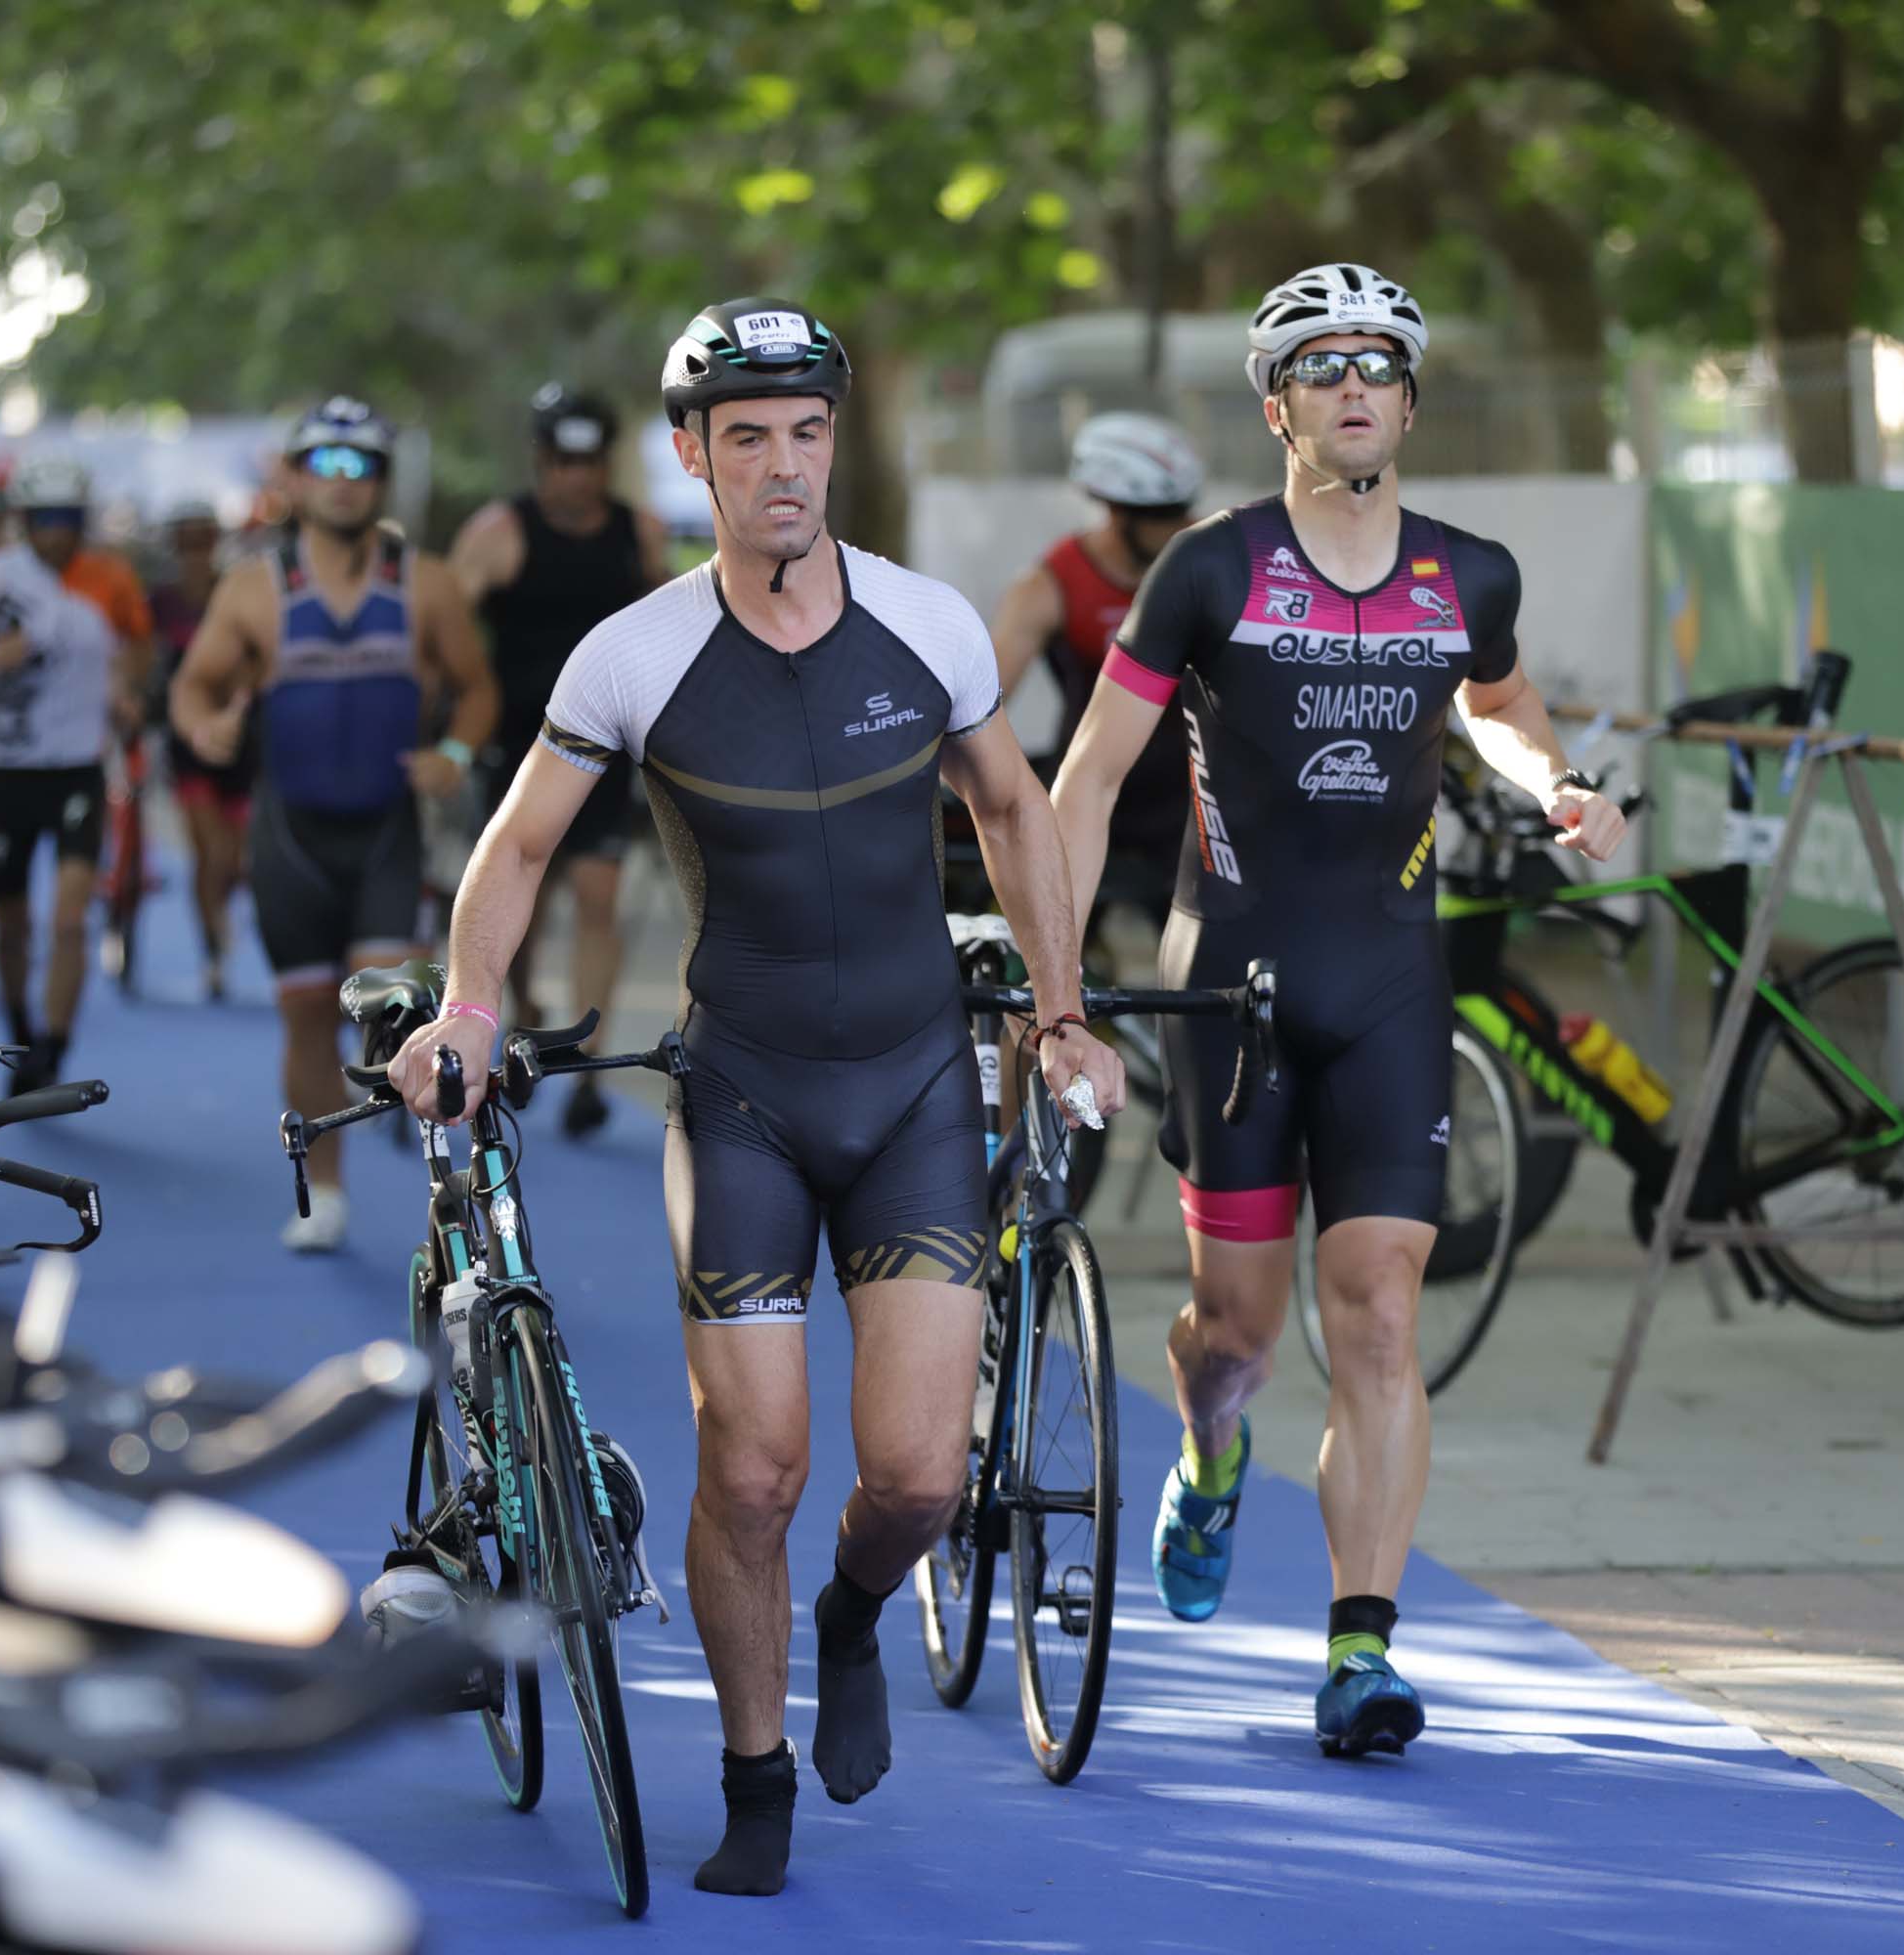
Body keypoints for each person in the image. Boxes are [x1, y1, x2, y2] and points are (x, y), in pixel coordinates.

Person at [385, 299, 1125, 1898]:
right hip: (745, 1102)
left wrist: (1061, 1015)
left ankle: (856, 1615)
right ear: (692, 460)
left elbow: (1013, 810)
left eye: (807, 433)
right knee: (756, 1469)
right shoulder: (635, 656)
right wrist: (466, 1004)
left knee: (921, 1475)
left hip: (922, 1089)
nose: (783, 467)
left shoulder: (926, 625)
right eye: (747, 439)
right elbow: (517, 847)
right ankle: (754, 1770)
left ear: (834, 444)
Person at [1047, 263, 1626, 1761]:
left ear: (1412, 401)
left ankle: (1360, 1652)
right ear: (1277, 404)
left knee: (1375, 1315)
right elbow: (1091, 776)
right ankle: (1212, 1442)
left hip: (1385, 985)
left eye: (1378, 362)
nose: (1353, 383)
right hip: (1227, 987)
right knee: (1233, 1332)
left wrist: (1551, 786)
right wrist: (1055, 986)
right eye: (1321, 364)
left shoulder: (1465, 574)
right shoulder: (1210, 570)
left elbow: (1498, 712)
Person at [168, 399, 498, 1253]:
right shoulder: (254, 586)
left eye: (361, 466)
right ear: (297, 477)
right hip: (291, 840)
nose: (344, 482)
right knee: (309, 1013)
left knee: (381, 997)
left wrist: (456, 754)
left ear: (381, 481)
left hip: (385, 831)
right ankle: (328, 1188)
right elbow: (193, 686)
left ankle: (434, 1151)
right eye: (327, 463)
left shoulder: (422, 583)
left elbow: (478, 687)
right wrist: (205, 727)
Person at [447, 384, 669, 1137]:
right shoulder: (501, 531)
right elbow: (445, 629)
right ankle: (526, 1007)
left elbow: (665, 626)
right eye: (563, 460)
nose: (577, 476)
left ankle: (585, 1059)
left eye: (590, 460)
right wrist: (451, 728)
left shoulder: (636, 532)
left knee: (600, 892)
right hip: (518, 748)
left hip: (605, 748)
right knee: (524, 904)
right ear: (542, 461)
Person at [0, 459, 154, 1091]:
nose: (57, 533)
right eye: (44, 521)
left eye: (68, 521)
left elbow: (137, 646)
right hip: (7, 772)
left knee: (70, 918)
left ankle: (54, 1043)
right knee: (12, 922)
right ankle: (21, 1024)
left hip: (78, 768)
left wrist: (126, 690)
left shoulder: (109, 579)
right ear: (23, 523)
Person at [988, 412, 1203, 934]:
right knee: (1038, 953)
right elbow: (982, 701)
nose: (1178, 526)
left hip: (1187, 810)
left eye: (1181, 511)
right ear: (1116, 511)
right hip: (1087, 799)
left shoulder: (1205, 565)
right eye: (1160, 514)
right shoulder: (1052, 584)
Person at [151, 500, 247, 1000]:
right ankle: (213, 950)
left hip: (241, 740)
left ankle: (220, 919)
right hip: (188, 740)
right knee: (209, 852)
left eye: (202, 541)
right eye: (185, 542)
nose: (194, 552)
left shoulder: (235, 591)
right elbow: (141, 658)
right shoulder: (161, 601)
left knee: (234, 858)